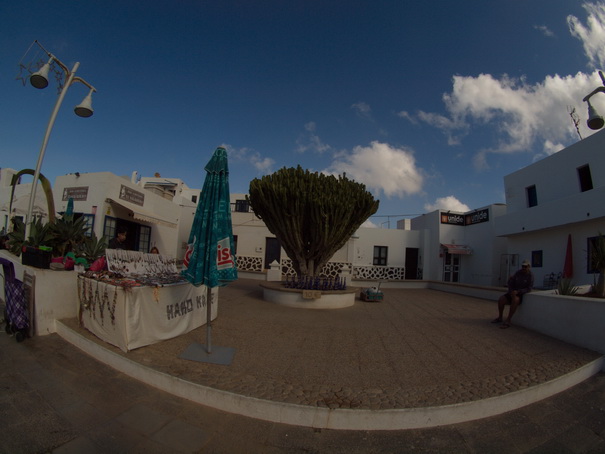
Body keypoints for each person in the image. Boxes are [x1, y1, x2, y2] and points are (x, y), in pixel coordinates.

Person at [493, 260, 534, 329]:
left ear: (529, 267)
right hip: (512, 292)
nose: (523, 268)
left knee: (515, 300)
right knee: (501, 299)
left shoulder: (530, 276)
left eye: (525, 266)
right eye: (523, 266)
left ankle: (508, 320)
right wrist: (511, 291)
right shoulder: (518, 273)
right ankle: (500, 317)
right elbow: (511, 283)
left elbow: (529, 288)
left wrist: (518, 292)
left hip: (520, 294)